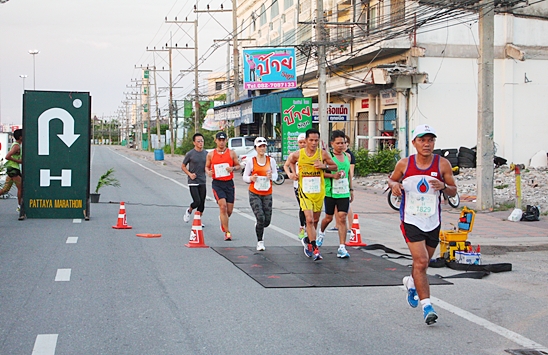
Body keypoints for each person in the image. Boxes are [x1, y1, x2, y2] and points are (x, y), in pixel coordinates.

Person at [387, 124, 457, 325]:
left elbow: (453, 191)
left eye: (430, 140)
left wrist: (444, 186)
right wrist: (395, 186)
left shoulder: (442, 164)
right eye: (422, 140)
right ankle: (427, 307)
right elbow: (391, 181)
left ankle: (411, 282)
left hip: (432, 220)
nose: (427, 144)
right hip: (411, 219)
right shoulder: (404, 164)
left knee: (423, 264)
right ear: (414, 143)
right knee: (421, 261)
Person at [285, 128, 338, 261]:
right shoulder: (298, 154)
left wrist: (323, 166)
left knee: (314, 220)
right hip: (304, 191)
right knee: (308, 219)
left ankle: (309, 240)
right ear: (306, 140)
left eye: (316, 140)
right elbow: (288, 163)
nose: (314, 143)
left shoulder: (323, 154)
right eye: (311, 140)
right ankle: (315, 248)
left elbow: (334, 167)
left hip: (318, 191)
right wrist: (292, 173)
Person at [316, 130, 354, 258]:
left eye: (343, 143)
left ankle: (342, 247)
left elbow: (349, 174)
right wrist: (333, 176)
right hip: (330, 191)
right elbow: (321, 172)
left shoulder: (347, 156)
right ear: (332, 143)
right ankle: (321, 233)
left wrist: (351, 189)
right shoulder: (327, 156)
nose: (341, 145)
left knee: (342, 217)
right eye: (338, 143)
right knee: (329, 217)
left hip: (343, 191)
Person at [242, 137, 278, 251]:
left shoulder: (271, 161)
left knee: (266, 221)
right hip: (254, 193)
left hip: (267, 192)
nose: (262, 148)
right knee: (260, 217)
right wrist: (251, 178)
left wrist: (271, 176)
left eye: (264, 146)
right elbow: (245, 177)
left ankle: (259, 224)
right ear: (255, 148)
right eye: (260, 146)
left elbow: (276, 175)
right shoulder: (251, 161)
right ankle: (260, 241)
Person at [205, 131, 240, 241]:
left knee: (228, 211)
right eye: (219, 140)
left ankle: (222, 220)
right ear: (215, 141)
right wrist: (208, 172)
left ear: (226, 141)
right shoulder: (211, 154)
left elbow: (238, 165)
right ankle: (227, 232)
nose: (221, 142)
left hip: (229, 183)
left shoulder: (231, 153)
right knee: (223, 206)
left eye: (223, 140)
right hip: (217, 183)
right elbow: (206, 167)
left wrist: (232, 168)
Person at [283, 132, 307, 239]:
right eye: (300, 142)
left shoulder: (314, 155)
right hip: (298, 185)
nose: (302, 144)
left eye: (304, 142)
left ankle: (309, 227)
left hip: (311, 186)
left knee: (311, 209)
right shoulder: (295, 155)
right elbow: (286, 166)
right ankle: (302, 227)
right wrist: (290, 174)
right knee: (303, 207)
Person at [182, 133, 208, 224]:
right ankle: (189, 210)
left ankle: (198, 220)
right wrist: (189, 174)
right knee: (197, 201)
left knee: (202, 204)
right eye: (198, 141)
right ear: (194, 143)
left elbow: (209, 166)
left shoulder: (206, 154)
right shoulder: (190, 154)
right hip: (193, 181)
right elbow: (183, 166)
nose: (201, 143)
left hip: (202, 180)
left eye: (202, 141)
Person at [4, 129, 23, 210]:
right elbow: (7, 156)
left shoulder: (18, 145)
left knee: (5, 189)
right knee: (20, 188)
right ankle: (19, 206)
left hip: (13, 168)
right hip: (13, 169)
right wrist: (18, 161)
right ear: (20, 137)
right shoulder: (16, 146)